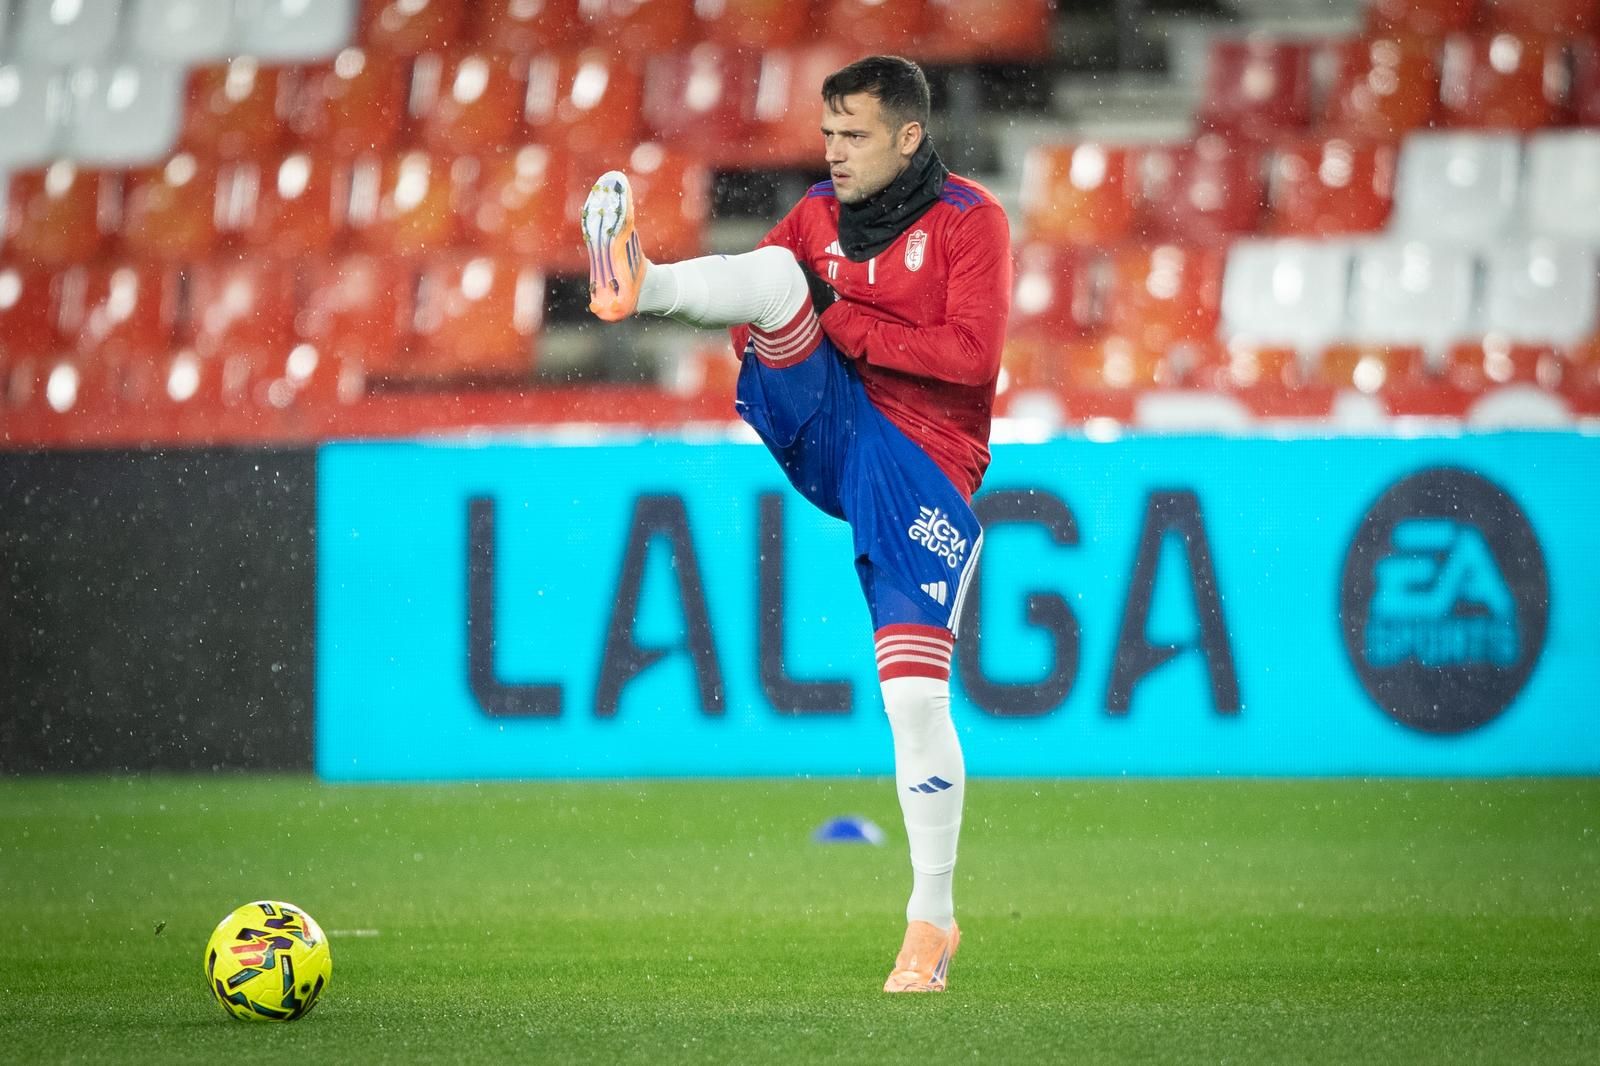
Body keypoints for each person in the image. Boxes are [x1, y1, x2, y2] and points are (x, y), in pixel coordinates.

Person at [581, 54, 1011, 993]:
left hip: (922, 464)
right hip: (832, 425)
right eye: (827, 134)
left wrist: (844, 327)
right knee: (777, 270)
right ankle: (637, 280)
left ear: (908, 137)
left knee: (913, 703)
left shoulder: (971, 222)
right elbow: (764, 296)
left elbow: (972, 360)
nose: (835, 154)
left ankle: (931, 922)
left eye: (854, 136)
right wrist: (796, 338)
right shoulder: (818, 212)